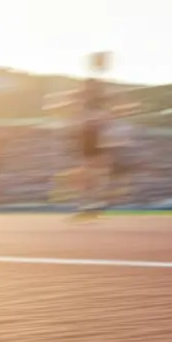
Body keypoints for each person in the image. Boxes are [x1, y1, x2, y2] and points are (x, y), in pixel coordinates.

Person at [50, 51, 114, 220]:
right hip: (87, 134)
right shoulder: (93, 96)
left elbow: (92, 105)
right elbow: (77, 101)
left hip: (91, 134)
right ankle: (91, 204)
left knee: (90, 171)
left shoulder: (96, 97)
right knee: (89, 171)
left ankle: (91, 204)